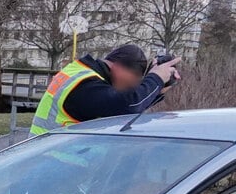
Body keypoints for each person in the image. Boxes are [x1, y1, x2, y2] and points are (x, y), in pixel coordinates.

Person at [30, 44, 181, 136]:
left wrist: (157, 90)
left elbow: (121, 106)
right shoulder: (86, 86)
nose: (132, 87)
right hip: (53, 168)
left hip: (46, 160)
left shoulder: (81, 73)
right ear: (118, 67)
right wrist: (155, 78)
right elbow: (127, 105)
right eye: (133, 80)